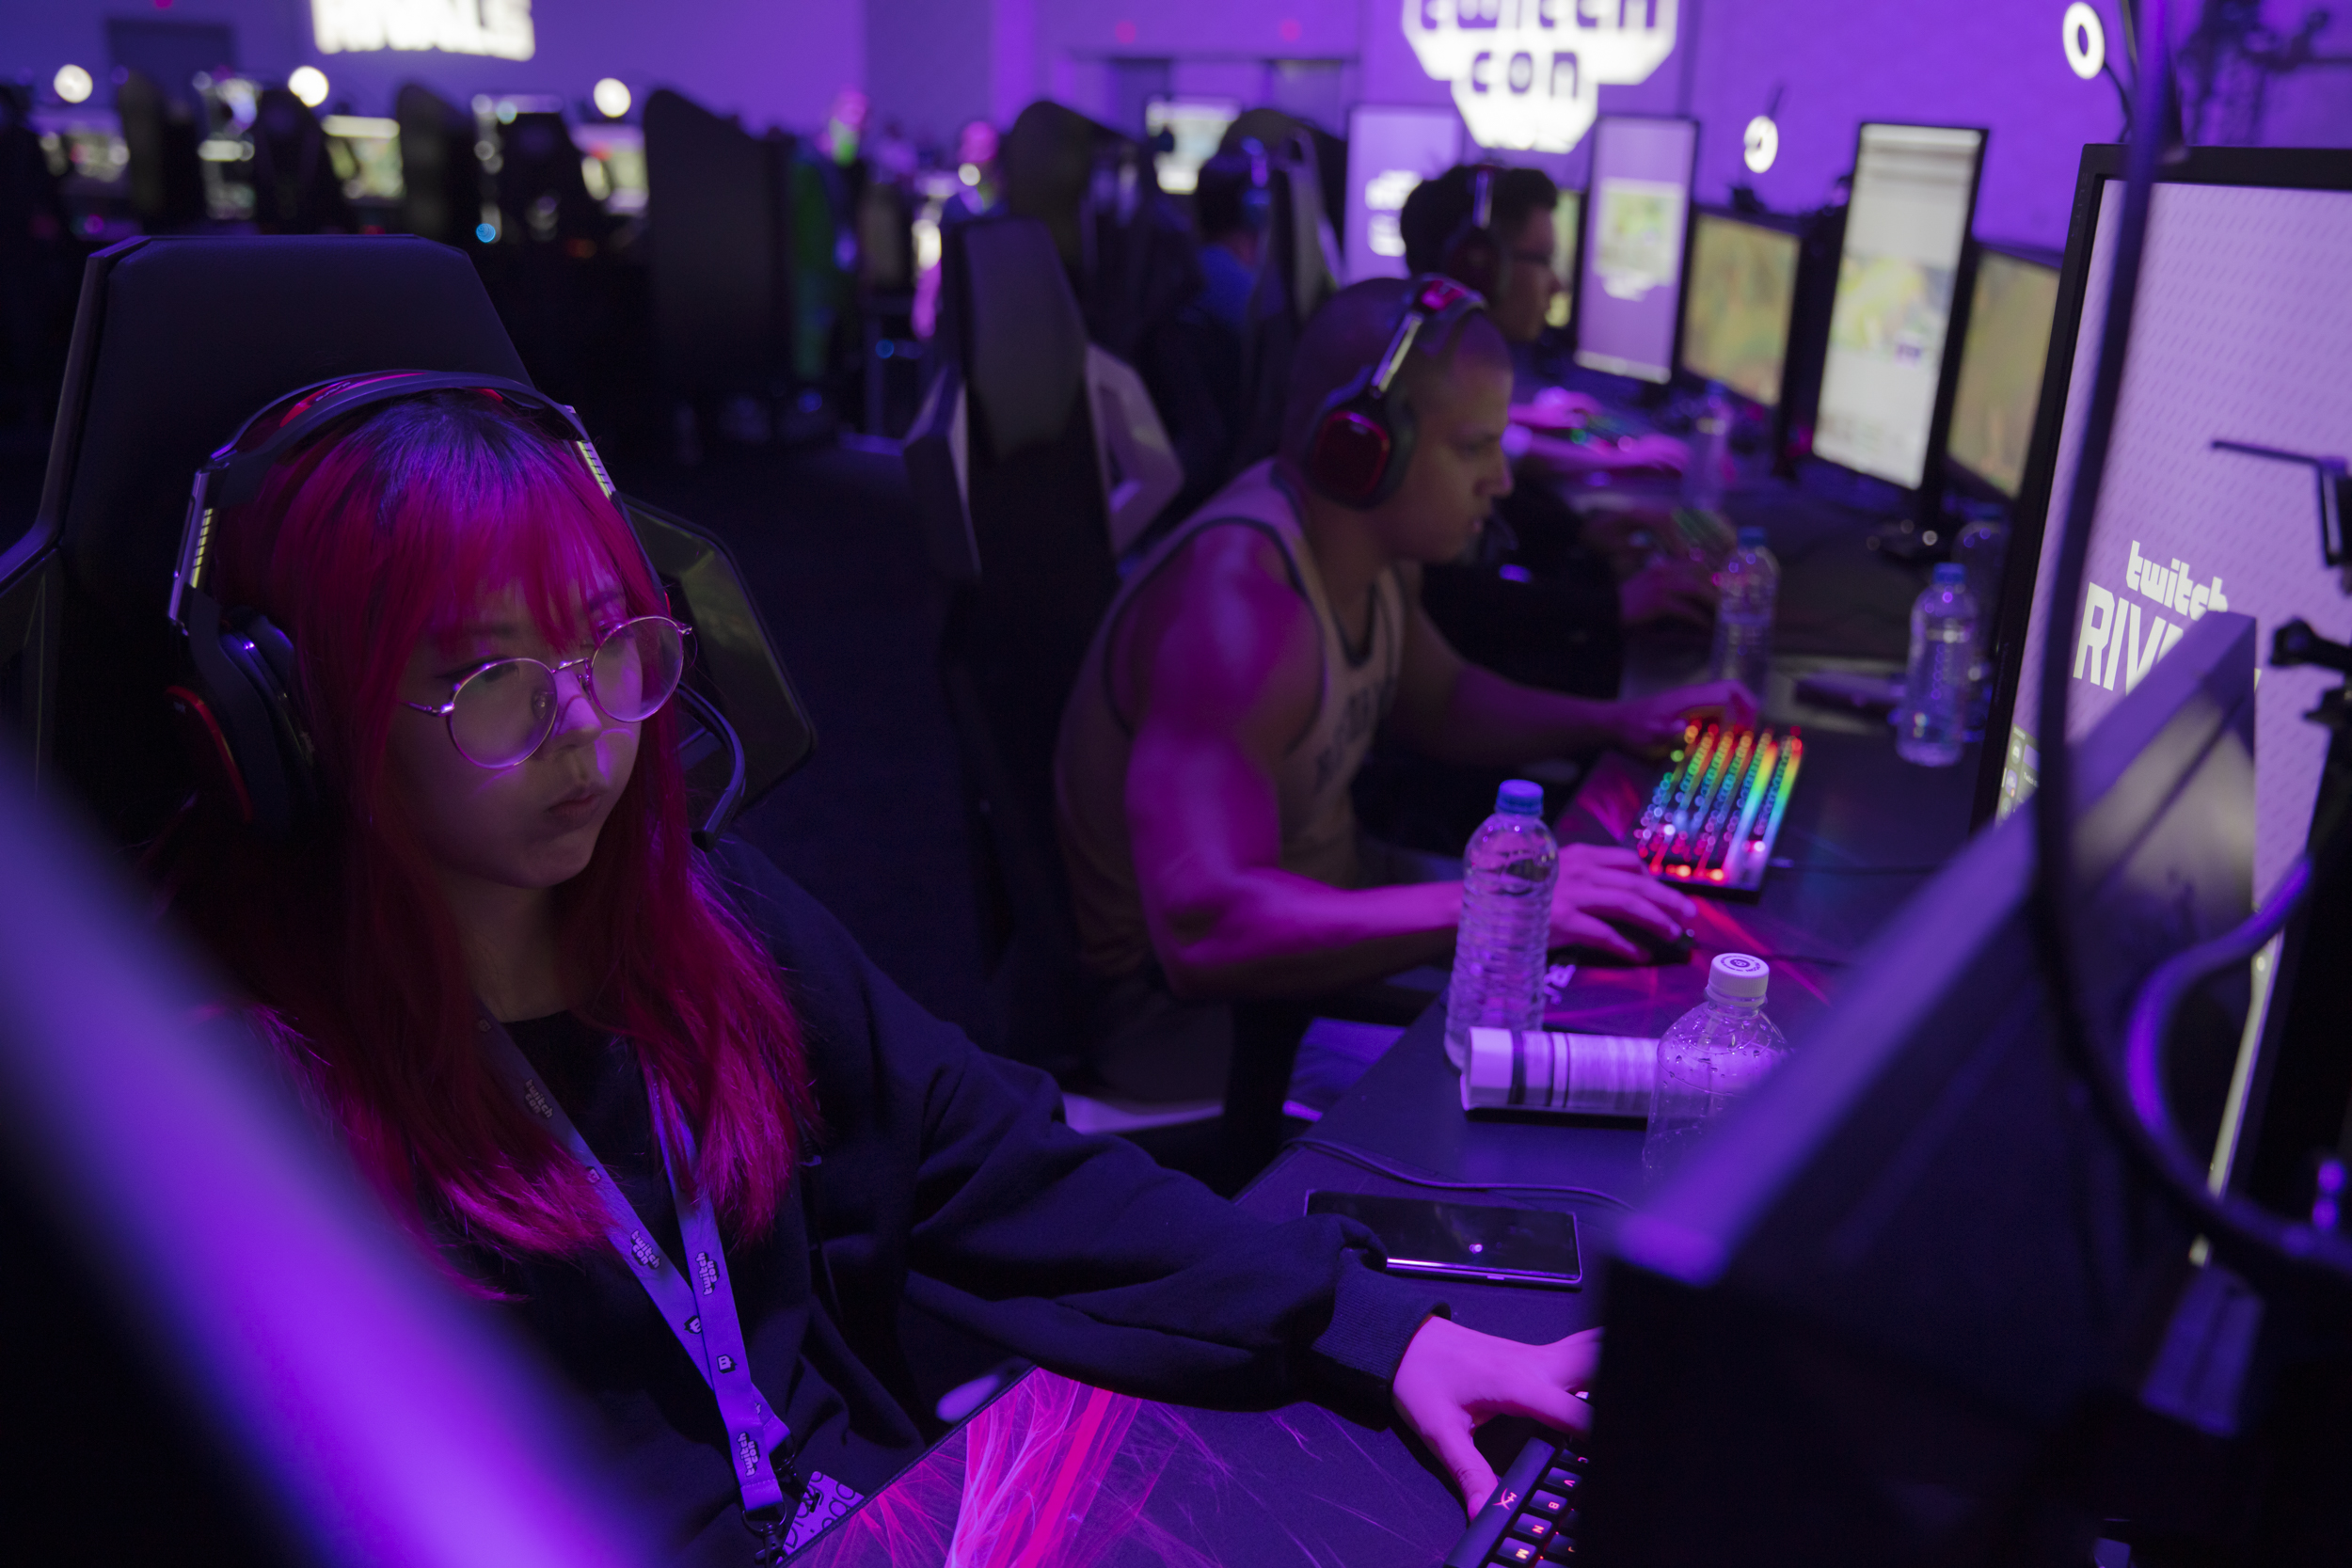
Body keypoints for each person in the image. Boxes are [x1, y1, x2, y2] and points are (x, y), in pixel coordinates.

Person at [156, 385, 1597, 1562]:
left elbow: (1000, 1164)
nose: (589, 728)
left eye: (609, 643)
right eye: (493, 682)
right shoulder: (254, 1108)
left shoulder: (707, 921)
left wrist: (1376, 1329)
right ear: (304, 727)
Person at [1055, 277, 1753, 1105]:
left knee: (1622, 983)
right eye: (1473, 448)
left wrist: (1615, 720)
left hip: (1326, 919)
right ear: (1362, 448)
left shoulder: (1368, 557)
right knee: (1603, 1071)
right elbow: (1205, 931)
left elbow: (1442, 700)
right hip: (1198, 1030)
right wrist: (1498, 903)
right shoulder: (1239, 611)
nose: (1501, 479)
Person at [1399, 165, 1718, 703]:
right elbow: (1449, 600)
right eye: (1543, 260)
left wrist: (1581, 533)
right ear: (1479, 267)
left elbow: (1501, 510)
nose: (1559, 285)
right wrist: (1608, 607)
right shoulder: (1417, 399)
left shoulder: (1440, 368)